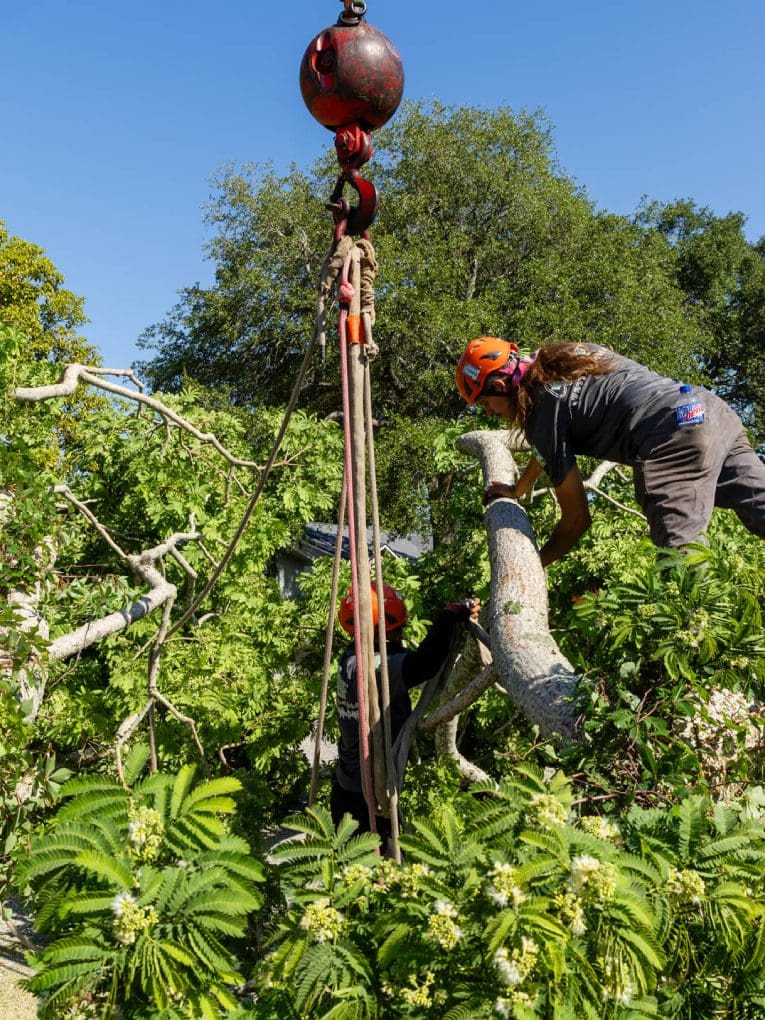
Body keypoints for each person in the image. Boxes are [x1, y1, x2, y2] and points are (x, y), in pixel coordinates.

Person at [455, 337, 765, 566]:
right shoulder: (568, 357)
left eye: (485, 403)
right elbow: (545, 451)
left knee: (681, 562)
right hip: (710, 412)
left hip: (670, 435)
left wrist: (532, 565)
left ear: (499, 385)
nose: (490, 413)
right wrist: (518, 489)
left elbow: (576, 520)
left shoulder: (541, 410)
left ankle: (699, 634)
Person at [331, 583, 480, 839]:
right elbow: (425, 663)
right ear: (380, 632)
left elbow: (403, 656)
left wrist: (456, 618)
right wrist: (449, 614)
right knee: (376, 861)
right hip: (364, 795)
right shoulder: (374, 668)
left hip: (349, 787)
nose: (401, 634)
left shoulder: (352, 656)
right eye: (398, 629)